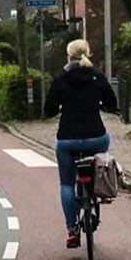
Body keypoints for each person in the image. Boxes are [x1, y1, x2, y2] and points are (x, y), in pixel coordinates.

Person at [43, 39, 118, 248]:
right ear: (88, 53)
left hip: (67, 139)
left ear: (68, 56)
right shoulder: (96, 76)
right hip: (96, 137)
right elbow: (112, 102)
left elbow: (48, 108)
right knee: (104, 146)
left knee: (67, 184)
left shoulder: (61, 79)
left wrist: (52, 112)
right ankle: (98, 188)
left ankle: (72, 229)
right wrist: (108, 107)